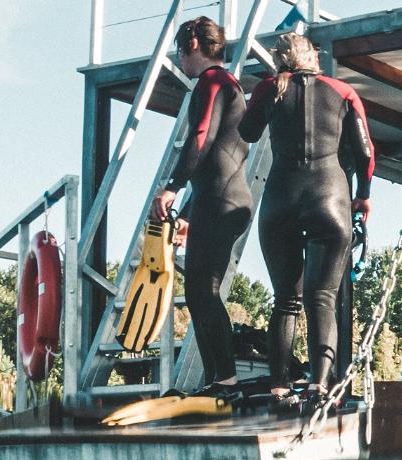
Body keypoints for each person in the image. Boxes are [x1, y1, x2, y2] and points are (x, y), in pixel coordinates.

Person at [238, 33, 373, 401]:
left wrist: (265, 98)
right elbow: (365, 152)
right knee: (322, 298)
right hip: (330, 197)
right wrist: (363, 195)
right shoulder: (343, 91)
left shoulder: (269, 88)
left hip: (282, 197)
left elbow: (246, 132)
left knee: (285, 299)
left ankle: (279, 385)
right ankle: (319, 384)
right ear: (312, 57)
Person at [151, 17, 252, 395]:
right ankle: (216, 381)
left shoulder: (213, 82)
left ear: (193, 42)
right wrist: (192, 214)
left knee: (202, 290)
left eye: (180, 51)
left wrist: (172, 187)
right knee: (199, 291)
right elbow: (220, 158)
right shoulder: (231, 86)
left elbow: (201, 138)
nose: (181, 61)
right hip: (222, 197)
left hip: (221, 199)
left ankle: (224, 381)